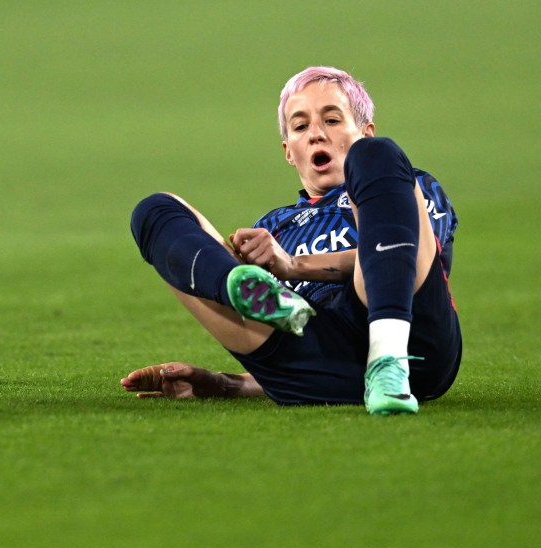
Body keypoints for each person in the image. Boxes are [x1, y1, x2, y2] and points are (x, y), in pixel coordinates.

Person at [121, 66, 461, 415]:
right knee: (154, 211)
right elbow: (306, 334)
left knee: (375, 155)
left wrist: (295, 266)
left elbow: (412, 251)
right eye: (300, 126)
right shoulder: (272, 229)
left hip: (414, 343)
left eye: (331, 120)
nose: (316, 134)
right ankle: (230, 283)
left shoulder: (405, 184)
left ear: (364, 130)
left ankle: (388, 361)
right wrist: (226, 384)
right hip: (314, 363)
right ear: (288, 151)